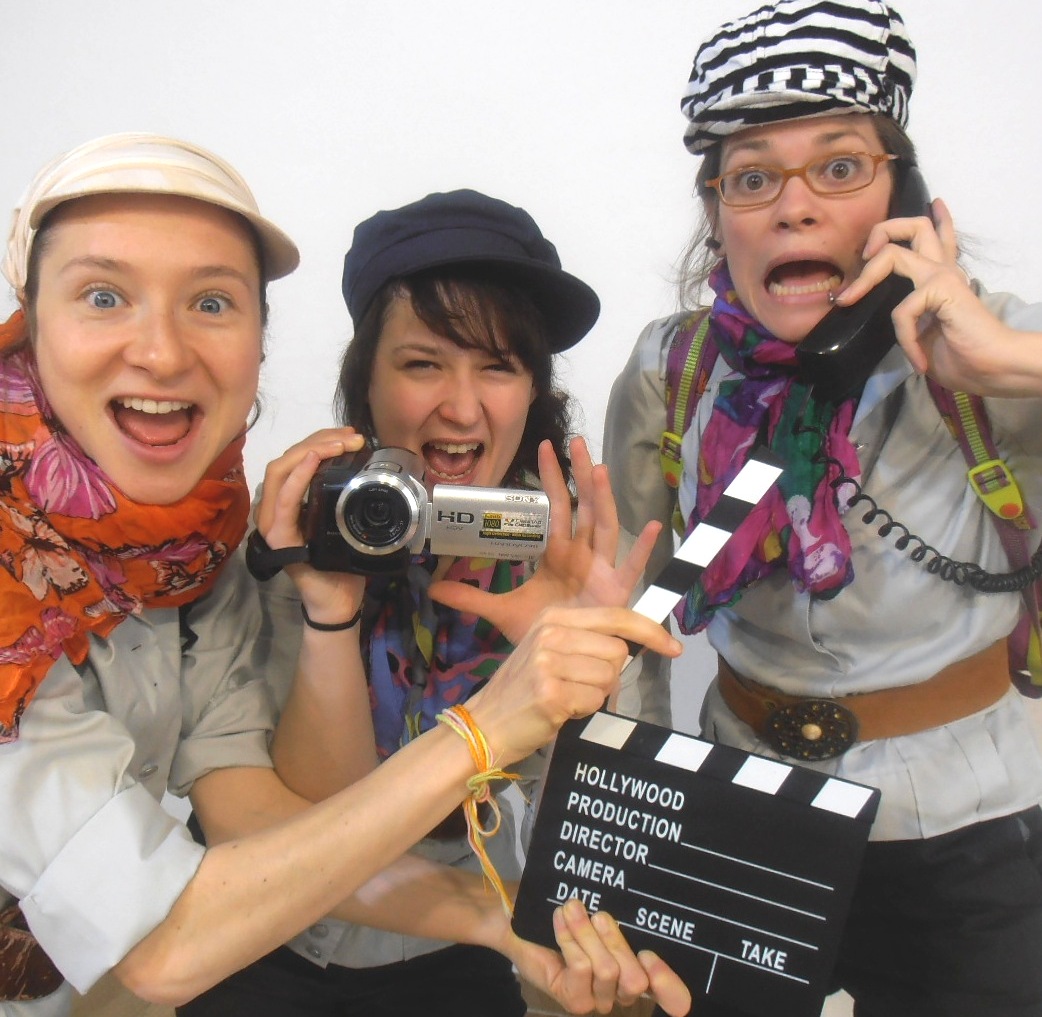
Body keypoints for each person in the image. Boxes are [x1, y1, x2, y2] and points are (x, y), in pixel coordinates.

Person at [0, 133, 692, 1017]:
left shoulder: (189, 544)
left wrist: (588, 681)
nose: (163, 353)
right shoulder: (286, 532)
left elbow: (248, 805)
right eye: (103, 296)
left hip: (413, 940)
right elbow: (172, 930)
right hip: (245, 945)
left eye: (210, 302)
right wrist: (360, 630)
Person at [602, 1, 1042, 1014]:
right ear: (717, 212)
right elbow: (627, 612)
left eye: (839, 167)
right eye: (752, 177)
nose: (792, 209)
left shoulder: (1000, 351)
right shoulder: (672, 371)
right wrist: (629, 819)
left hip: (968, 824)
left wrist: (1008, 364)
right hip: (741, 806)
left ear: (904, 196)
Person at [178, 188, 670, 1017]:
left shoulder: (569, 561)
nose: (462, 406)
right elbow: (321, 823)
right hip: (263, 922)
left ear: (533, 391)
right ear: (364, 382)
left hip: (449, 944)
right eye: (422, 363)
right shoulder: (298, 530)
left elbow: (599, 843)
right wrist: (329, 606)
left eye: (498, 366)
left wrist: (581, 677)